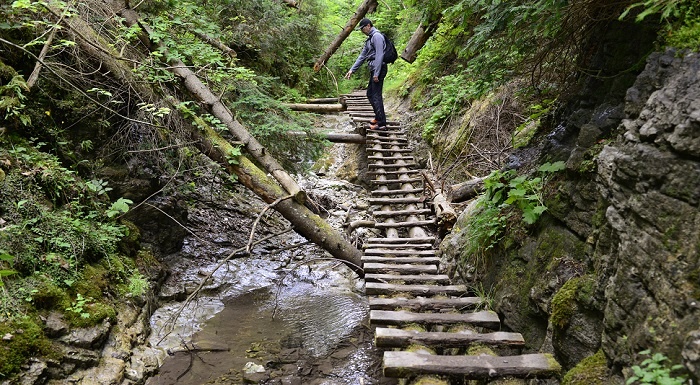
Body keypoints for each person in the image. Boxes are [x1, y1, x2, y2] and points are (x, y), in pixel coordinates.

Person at [344, 18, 387, 130]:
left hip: (379, 69)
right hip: (374, 69)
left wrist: (376, 73)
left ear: (368, 26)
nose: (362, 31)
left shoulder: (377, 36)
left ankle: (382, 123)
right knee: (370, 94)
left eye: (363, 28)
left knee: (376, 95)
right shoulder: (369, 39)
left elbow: (380, 55)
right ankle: (378, 117)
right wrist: (352, 70)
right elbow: (362, 56)